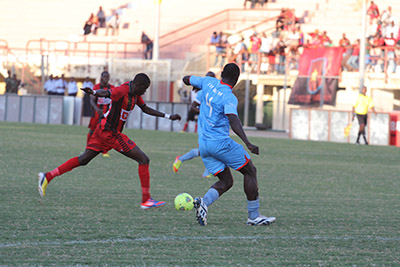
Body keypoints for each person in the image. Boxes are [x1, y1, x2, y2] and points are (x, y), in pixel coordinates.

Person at [38, 73, 182, 209]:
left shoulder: (135, 94)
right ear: (138, 85)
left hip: (102, 130)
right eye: (144, 89)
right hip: (111, 133)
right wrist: (94, 93)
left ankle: (48, 176)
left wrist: (168, 116)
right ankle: (146, 200)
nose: (145, 92)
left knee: (83, 160)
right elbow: (107, 93)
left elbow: (145, 109)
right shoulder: (123, 90)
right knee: (143, 159)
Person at [182, 63, 275, 226]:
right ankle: (254, 216)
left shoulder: (207, 82)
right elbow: (233, 119)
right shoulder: (229, 97)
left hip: (203, 145)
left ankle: (203, 202)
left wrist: (194, 86)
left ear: (222, 73)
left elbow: (185, 79)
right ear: (237, 79)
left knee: (226, 181)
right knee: (250, 171)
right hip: (220, 143)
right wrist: (248, 143)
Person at [173, 71, 216, 178]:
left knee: (209, 149)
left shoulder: (215, 93)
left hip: (213, 126)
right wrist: (203, 112)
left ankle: (181, 160)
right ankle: (207, 173)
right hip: (204, 126)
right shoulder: (202, 93)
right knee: (208, 150)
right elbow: (192, 107)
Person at [87, 71, 114, 158]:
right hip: (97, 113)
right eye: (105, 77)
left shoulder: (112, 88)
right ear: (101, 77)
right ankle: (88, 148)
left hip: (108, 114)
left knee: (106, 132)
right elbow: (92, 100)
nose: (106, 79)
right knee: (92, 130)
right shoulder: (96, 87)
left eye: (108, 77)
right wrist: (97, 109)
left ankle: (104, 151)